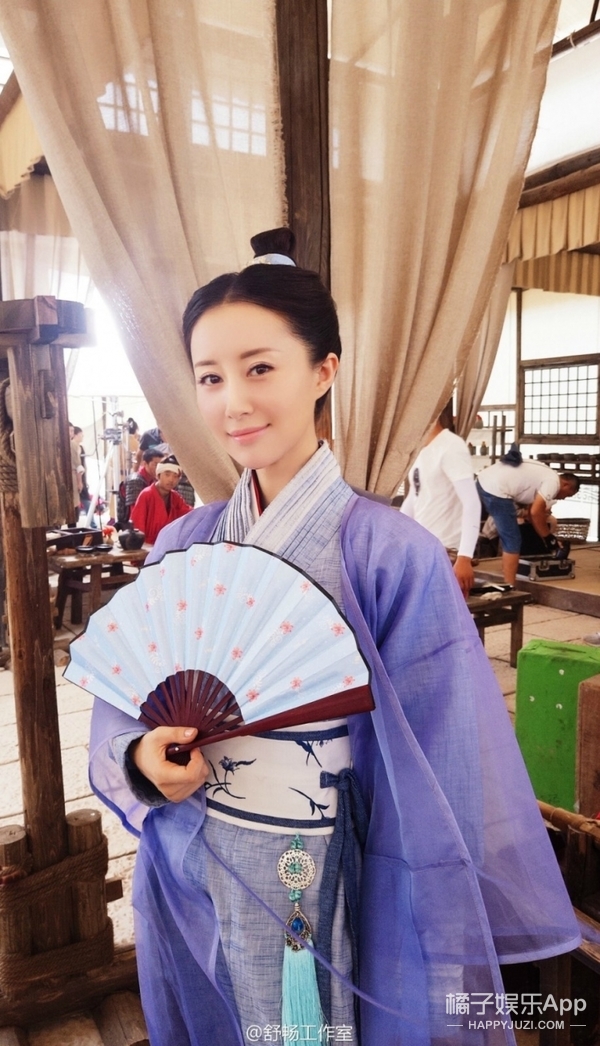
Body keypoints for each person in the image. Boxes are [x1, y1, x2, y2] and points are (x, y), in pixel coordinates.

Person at [89, 229, 579, 1046]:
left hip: (336, 862)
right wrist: (140, 757)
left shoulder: (392, 556)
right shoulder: (182, 544)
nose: (232, 401)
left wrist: (426, 905)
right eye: (210, 376)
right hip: (196, 851)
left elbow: (444, 758)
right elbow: (125, 701)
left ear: (324, 370)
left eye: (260, 368)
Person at [400, 407, 480, 597]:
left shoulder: (450, 446)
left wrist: (464, 557)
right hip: (422, 548)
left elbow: (472, 502)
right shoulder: (421, 449)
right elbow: (414, 497)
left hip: (447, 550)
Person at [476, 458, 579, 585]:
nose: (563, 498)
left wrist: (547, 538)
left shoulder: (546, 474)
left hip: (485, 480)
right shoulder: (553, 482)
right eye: (567, 495)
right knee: (512, 540)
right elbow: (536, 512)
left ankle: (504, 575)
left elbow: (531, 512)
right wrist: (549, 539)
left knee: (511, 535)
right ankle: (509, 586)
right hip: (496, 489)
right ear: (566, 485)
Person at [129, 457, 191, 545]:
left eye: (175, 476)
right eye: (167, 474)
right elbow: (137, 526)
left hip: (168, 545)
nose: (171, 480)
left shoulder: (176, 497)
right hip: (147, 546)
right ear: (158, 475)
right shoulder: (146, 495)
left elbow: (189, 514)